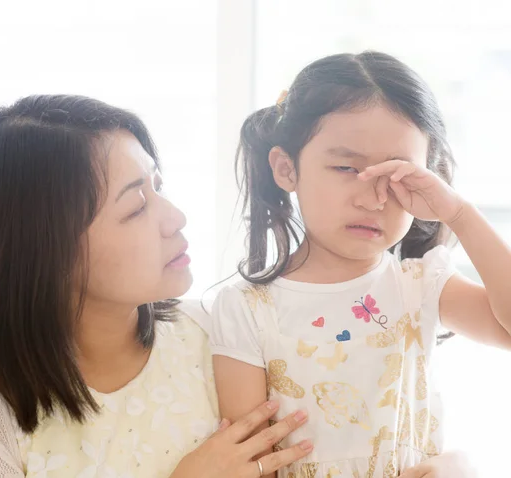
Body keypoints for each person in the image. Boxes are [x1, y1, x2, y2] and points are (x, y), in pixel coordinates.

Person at [0, 94, 475, 478]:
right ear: (42, 246)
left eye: (159, 187)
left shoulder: (222, 334)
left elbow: (370, 423)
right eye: (135, 206)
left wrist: (450, 463)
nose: (174, 216)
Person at [210, 51, 511, 478]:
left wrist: (458, 213)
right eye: (346, 167)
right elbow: (251, 465)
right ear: (286, 168)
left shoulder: (421, 284)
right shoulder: (245, 308)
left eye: (398, 177)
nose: (372, 199)